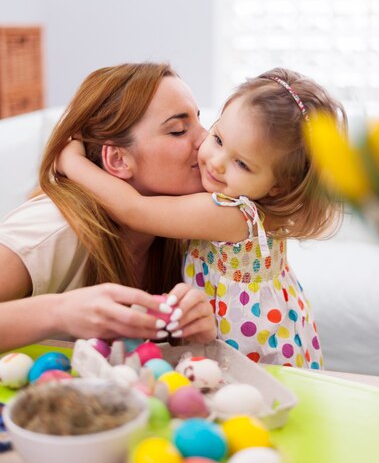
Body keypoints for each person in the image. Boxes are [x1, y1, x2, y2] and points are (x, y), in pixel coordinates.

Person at [58, 67, 347, 367]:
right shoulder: (251, 205)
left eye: (242, 164)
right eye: (219, 139)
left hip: (251, 351)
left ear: (278, 187)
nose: (216, 163)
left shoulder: (231, 213)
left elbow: (134, 210)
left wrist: (71, 161)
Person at [0, 63, 217, 351]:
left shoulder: (185, 230)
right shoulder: (50, 230)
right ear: (117, 160)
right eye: (178, 130)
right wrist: (59, 312)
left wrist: (195, 334)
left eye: (199, 120)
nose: (206, 140)